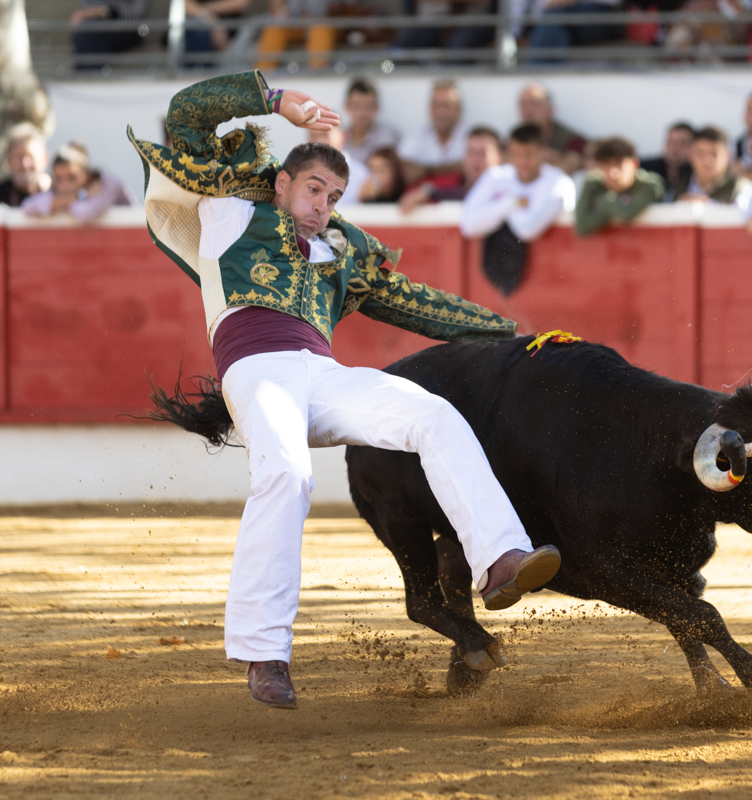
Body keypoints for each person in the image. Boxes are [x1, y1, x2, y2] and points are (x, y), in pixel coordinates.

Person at [130, 71, 562, 710]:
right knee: (288, 473)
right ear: (281, 183)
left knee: (434, 416)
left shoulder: (341, 250)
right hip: (256, 367)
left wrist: (511, 333)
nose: (323, 204)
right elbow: (187, 113)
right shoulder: (229, 205)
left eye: (333, 195)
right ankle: (264, 651)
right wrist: (278, 102)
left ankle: (499, 560)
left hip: (321, 373)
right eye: (312, 189)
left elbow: (415, 302)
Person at [460, 124, 577, 294]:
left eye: (528, 154)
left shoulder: (559, 182)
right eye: (516, 154)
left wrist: (502, 205)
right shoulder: (496, 176)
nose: (522, 161)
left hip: (558, 281)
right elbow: (468, 226)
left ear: (543, 151)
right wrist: (511, 203)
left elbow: (527, 230)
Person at [574, 137, 665, 236]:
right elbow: (582, 225)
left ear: (634, 164)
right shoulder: (593, 183)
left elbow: (627, 213)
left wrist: (603, 200)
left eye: (619, 164)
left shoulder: (649, 184)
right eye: (607, 164)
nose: (613, 172)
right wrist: (616, 206)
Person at [399, 126, 503, 213]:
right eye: (470, 152)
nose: (475, 159)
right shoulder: (449, 182)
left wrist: (432, 193)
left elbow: (474, 195)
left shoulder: (508, 187)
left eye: (482, 153)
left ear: (500, 157)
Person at [21, 142, 134, 221]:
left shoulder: (107, 184)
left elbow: (84, 214)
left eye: (72, 178)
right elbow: (29, 207)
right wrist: (80, 195)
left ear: (87, 176)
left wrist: (59, 203)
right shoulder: (64, 190)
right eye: (59, 179)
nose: (65, 185)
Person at [398, 80, 470, 187]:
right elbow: (404, 170)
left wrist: (427, 170)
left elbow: (474, 167)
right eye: (436, 105)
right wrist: (453, 168)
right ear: (429, 109)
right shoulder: (415, 137)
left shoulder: (472, 137)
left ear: (459, 109)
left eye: (446, 105)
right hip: (423, 203)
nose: (441, 111)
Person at [517, 84, 588, 175]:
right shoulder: (514, 139)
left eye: (534, 103)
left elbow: (567, 167)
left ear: (550, 109)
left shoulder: (572, 140)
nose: (527, 110)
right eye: (522, 104)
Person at [676, 126, 752, 208]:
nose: (707, 160)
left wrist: (707, 204)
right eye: (700, 153)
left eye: (714, 154)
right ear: (690, 155)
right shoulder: (678, 187)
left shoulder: (740, 188)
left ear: (728, 155)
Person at [0, 123, 50, 207]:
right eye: (18, 158)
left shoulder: (58, 191)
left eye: (30, 157)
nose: (25, 164)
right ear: (8, 161)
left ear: (44, 158)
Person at [255, 0, 338, 71]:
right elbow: (274, 10)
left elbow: (340, 8)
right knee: (274, 29)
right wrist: (280, 10)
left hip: (322, 23)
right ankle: (262, 76)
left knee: (321, 28)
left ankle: (317, 74)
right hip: (292, 23)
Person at [69, 0, 151, 67]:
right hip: (90, 28)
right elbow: (85, 8)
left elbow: (139, 13)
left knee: (91, 37)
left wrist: (105, 11)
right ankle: (87, 80)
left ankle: (93, 80)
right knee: (83, 35)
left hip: (124, 28)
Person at [342, 78, 401, 167]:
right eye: (356, 105)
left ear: (377, 107)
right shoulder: (338, 137)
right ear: (347, 106)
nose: (362, 112)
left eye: (368, 106)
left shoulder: (386, 136)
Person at [640, 122, 694, 202]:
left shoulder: (698, 174)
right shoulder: (645, 168)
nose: (675, 148)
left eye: (683, 143)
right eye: (671, 141)